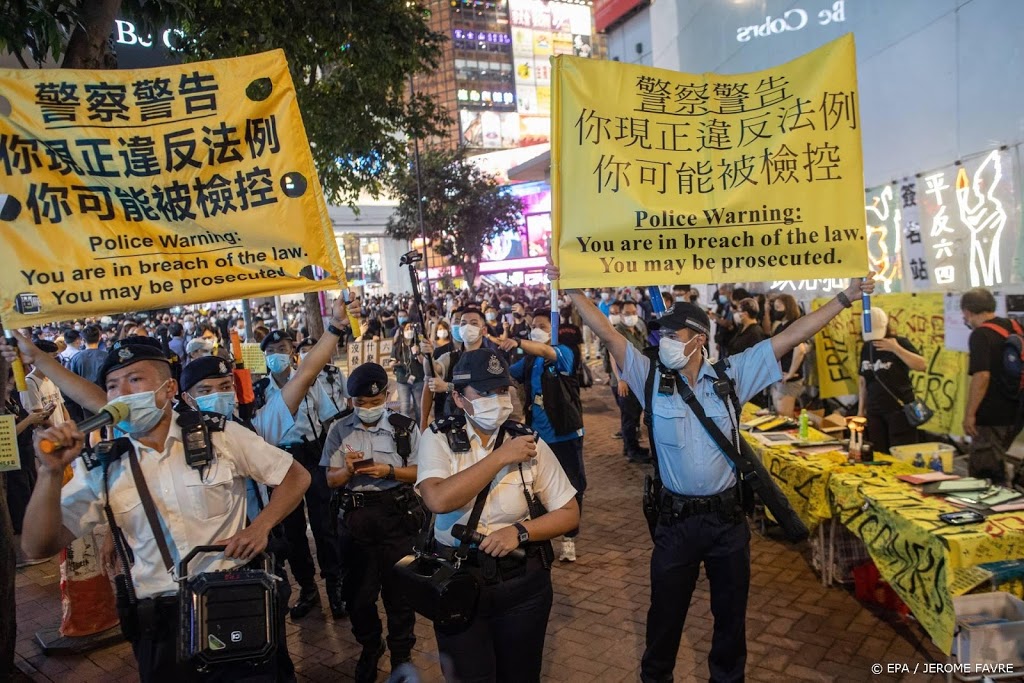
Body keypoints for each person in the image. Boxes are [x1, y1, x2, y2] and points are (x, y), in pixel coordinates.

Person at [554, 263, 874, 683]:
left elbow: (792, 336)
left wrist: (846, 297)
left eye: (673, 336)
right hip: (674, 523)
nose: (663, 342)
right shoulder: (650, 377)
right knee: (664, 617)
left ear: (699, 340)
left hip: (726, 522)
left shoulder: (731, 375)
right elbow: (611, 337)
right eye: (661, 335)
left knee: (730, 619)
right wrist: (573, 288)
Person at [9, 335, 311, 682]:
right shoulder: (103, 465)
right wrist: (48, 473)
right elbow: (36, 545)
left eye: (135, 380)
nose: (122, 392)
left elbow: (295, 476)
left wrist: (260, 527)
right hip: (159, 622)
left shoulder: (219, 436)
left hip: (231, 602)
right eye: (112, 385)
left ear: (168, 390)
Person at [416, 349, 580, 682]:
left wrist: (520, 531)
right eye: (485, 392)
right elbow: (437, 498)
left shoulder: (529, 442)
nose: (497, 399)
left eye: (502, 390)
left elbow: (569, 512)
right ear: (460, 399)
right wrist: (500, 457)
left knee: (520, 674)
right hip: (458, 581)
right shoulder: (439, 438)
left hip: (522, 582)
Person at [322, 363, 424, 682]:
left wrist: (388, 472)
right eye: (359, 403)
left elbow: (422, 471)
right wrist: (348, 471)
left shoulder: (404, 427)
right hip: (356, 520)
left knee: (400, 592)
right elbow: (330, 479)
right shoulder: (338, 429)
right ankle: (370, 646)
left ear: (386, 395)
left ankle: (401, 654)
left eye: (373, 401)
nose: (366, 408)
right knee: (357, 595)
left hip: (396, 518)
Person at [258, 323, 349, 620]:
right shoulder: (260, 391)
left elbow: (328, 418)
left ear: (293, 353)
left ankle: (335, 587)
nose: (277, 356)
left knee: (324, 526)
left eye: (282, 350)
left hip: (313, 454)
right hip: (280, 461)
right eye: (271, 352)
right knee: (293, 530)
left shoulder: (310, 382)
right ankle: (308, 589)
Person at [494, 309, 586, 562]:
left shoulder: (563, 353)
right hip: (538, 434)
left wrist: (520, 342)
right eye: (533, 325)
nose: (536, 328)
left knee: (573, 485)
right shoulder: (529, 361)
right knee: (537, 487)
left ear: (553, 328)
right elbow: (506, 372)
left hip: (565, 433)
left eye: (542, 325)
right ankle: (542, 532)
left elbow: (547, 351)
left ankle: (569, 538)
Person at [961, 288, 1023, 484]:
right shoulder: (1014, 327)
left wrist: (970, 413)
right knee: (998, 461)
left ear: (967, 312)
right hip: (1016, 411)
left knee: (985, 472)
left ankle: (991, 512)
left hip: (991, 413)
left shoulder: (981, 335)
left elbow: (982, 376)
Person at [857, 307, 926, 454]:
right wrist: (861, 411)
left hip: (899, 411)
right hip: (875, 411)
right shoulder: (866, 347)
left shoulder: (899, 343)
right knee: (879, 453)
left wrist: (896, 349)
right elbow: (863, 380)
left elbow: (921, 365)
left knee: (902, 453)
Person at [610, 301, 651, 464]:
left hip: (638, 380)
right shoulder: (617, 332)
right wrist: (621, 379)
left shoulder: (638, 329)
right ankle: (632, 450)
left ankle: (631, 447)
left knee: (634, 417)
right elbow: (613, 357)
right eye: (627, 313)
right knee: (629, 417)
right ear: (620, 315)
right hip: (625, 382)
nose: (631, 316)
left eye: (634, 312)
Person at [770, 294, 808, 416]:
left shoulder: (793, 326)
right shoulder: (780, 326)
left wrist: (790, 373)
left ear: (788, 307)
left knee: (784, 415)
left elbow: (800, 349)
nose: (776, 310)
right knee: (778, 411)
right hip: (779, 376)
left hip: (788, 379)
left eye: (778, 307)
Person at [20, 339, 69, 427]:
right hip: (47, 435)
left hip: (61, 433)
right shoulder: (30, 382)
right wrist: (57, 432)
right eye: (54, 355)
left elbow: (62, 406)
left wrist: (68, 426)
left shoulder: (51, 377)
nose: (56, 359)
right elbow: (38, 415)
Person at [390, 322, 426, 421]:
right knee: (404, 407)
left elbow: (423, 362)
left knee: (419, 407)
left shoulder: (419, 343)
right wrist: (395, 364)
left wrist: (418, 352)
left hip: (418, 379)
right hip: (402, 379)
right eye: (407, 328)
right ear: (402, 331)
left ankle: (420, 429)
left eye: (411, 327)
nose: (409, 330)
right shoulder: (397, 345)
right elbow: (391, 362)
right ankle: (405, 429)